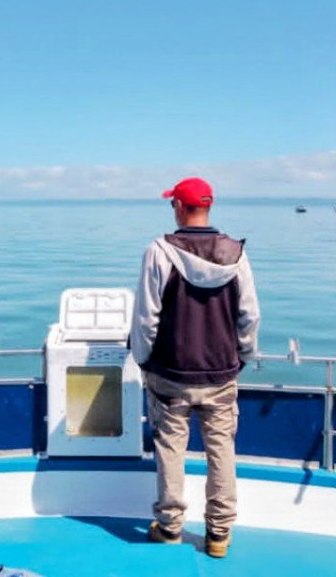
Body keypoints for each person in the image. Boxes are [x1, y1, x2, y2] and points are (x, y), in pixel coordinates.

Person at [129, 176, 260, 558]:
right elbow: (249, 315)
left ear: (181, 207)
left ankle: (170, 527)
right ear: (208, 206)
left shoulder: (159, 251)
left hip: (170, 373)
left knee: (171, 448)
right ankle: (218, 534)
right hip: (221, 373)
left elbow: (145, 318)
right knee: (221, 449)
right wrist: (244, 356)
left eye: (173, 203)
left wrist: (142, 358)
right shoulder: (236, 253)